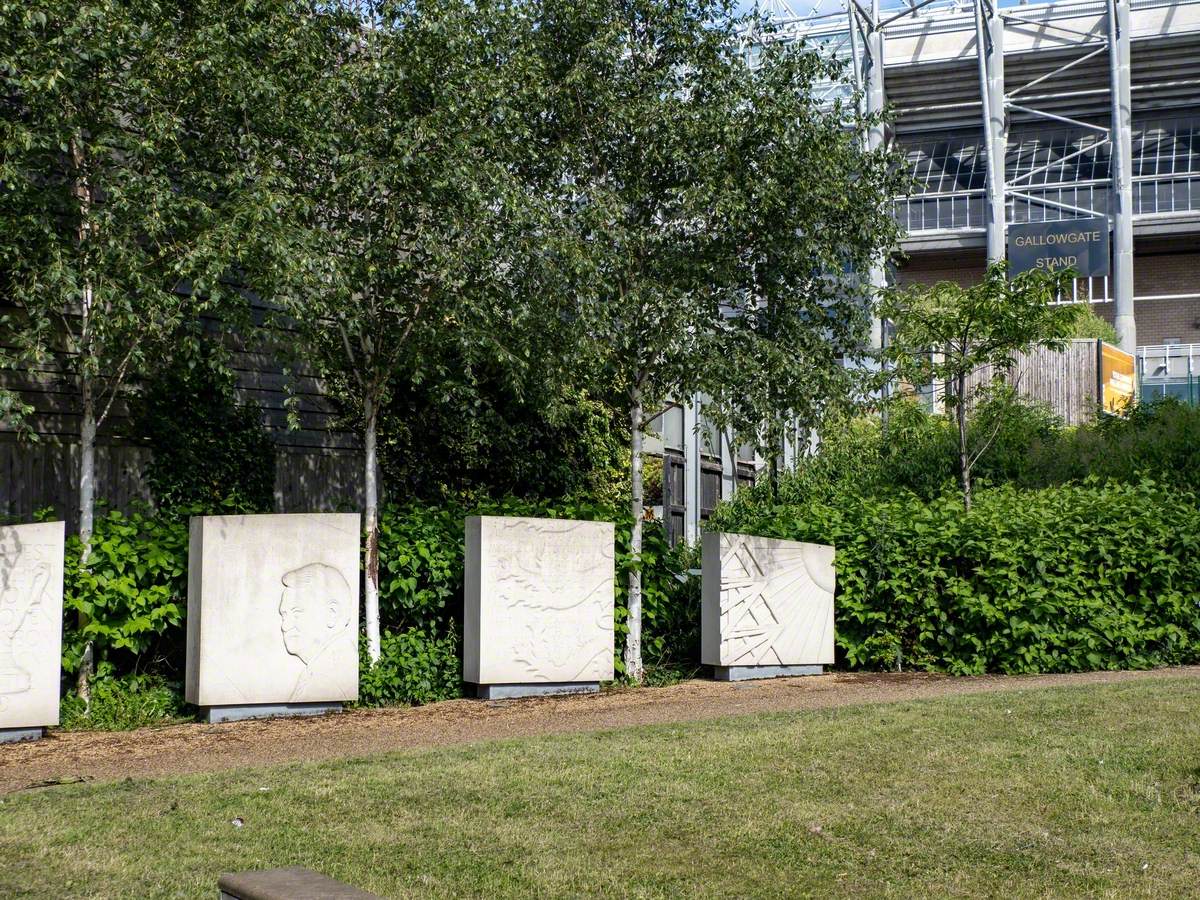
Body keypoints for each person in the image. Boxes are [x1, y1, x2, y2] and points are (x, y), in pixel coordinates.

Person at [278, 563, 355, 702]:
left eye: (296, 613)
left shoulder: (327, 678)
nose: (285, 626)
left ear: (332, 614)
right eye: (284, 615)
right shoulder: (319, 670)